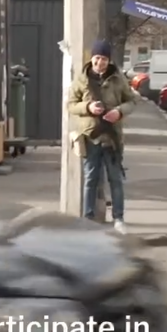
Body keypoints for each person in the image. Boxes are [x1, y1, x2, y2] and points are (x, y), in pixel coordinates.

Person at [66, 39, 137, 234]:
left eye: (104, 59)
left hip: (112, 137)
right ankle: (87, 219)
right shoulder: (82, 79)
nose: (100, 62)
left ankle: (119, 219)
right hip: (91, 136)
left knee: (116, 179)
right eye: (97, 58)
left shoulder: (118, 78)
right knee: (90, 178)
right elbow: (71, 104)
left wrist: (119, 112)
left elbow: (132, 101)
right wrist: (88, 107)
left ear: (109, 60)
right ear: (92, 58)